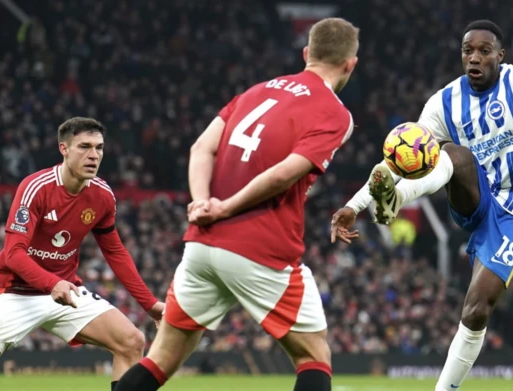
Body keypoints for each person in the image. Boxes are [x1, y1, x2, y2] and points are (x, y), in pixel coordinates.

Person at [114, 17, 359, 391]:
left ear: (307, 53)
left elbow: (201, 147)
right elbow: (282, 175)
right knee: (313, 356)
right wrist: (226, 207)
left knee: (160, 360)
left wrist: (201, 204)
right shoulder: (335, 113)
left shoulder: (254, 92)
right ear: (350, 64)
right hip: (260, 247)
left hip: (200, 244)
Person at [331, 20, 513, 391]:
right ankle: (395, 200)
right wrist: (355, 204)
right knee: (452, 154)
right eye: (467, 51)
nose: (474, 58)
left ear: (500, 55)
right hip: (473, 196)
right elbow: (399, 159)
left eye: (484, 51)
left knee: (477, 310)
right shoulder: (443, 103)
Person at [0, 117, 164, 391]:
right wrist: (52, 283)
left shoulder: (102, 195)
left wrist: (151, 305)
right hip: (17, 292)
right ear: (64, 149)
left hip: (64, 292)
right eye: (84, 147)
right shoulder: (36, 188)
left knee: (131, 341)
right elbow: (13, 255)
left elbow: (115, 251)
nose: (94, 155)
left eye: (99, 148)